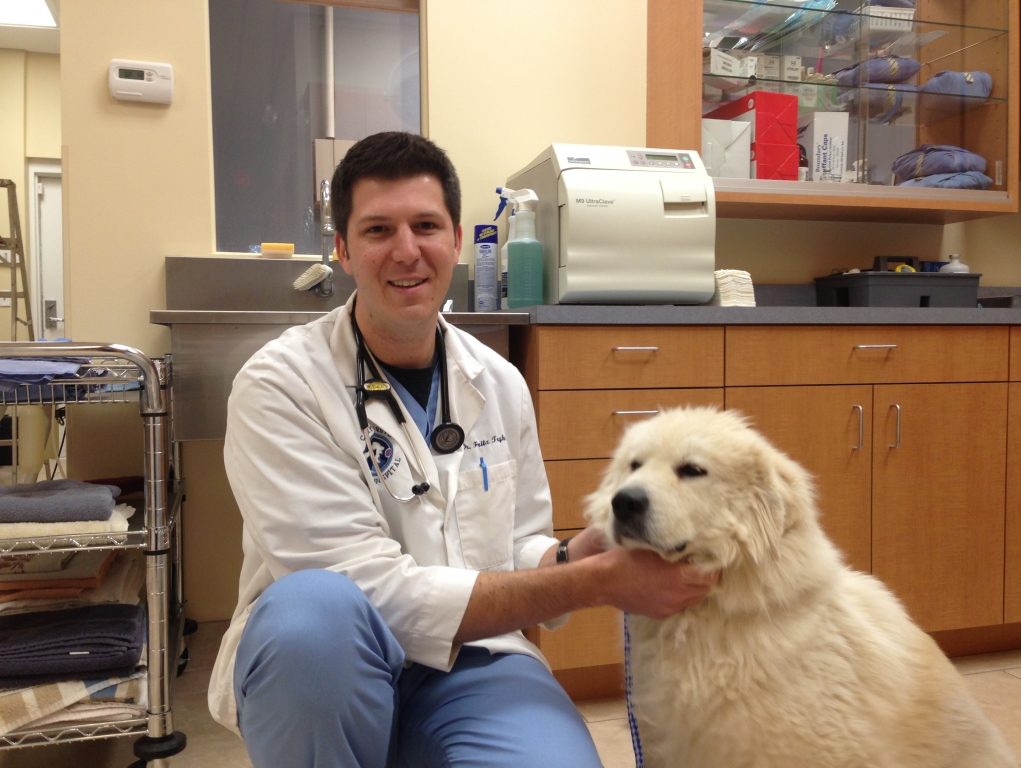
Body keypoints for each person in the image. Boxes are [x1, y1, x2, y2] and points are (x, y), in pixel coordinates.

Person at [207, 131, 716, 768]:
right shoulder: (282, 385)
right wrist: (590, 583)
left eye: (426, 225)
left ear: (455, 240)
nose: (406, 251)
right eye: (376, 230)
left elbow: (515, 544)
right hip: (330, 670)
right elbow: (369, 592)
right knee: (314, 612)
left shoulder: (496, 378)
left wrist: (566, 554)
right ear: (341, 249)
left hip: (476, 658)